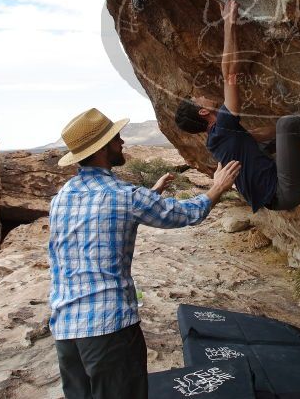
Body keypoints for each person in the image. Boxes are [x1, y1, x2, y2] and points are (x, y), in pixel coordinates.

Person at [48, 108, 240, 399]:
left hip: (65, 328)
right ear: (102, 149)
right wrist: (217, 187)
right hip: (108, 327)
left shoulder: (62, 196)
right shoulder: (124, 196)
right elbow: (185, 214)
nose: (122, 143)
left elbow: (104, 218)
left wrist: (152, 192)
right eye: (116, 139)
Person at [175, 0, 300, 213]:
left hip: (276, 193)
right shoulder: (222, 127)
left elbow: (256, 136)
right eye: (198, 99)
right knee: (288, 126)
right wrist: (229, 24)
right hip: (283, 191)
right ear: (203, 112)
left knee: (280, 130)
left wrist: (299, 128)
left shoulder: (218, 140)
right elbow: (230, 74)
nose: (202, 95)